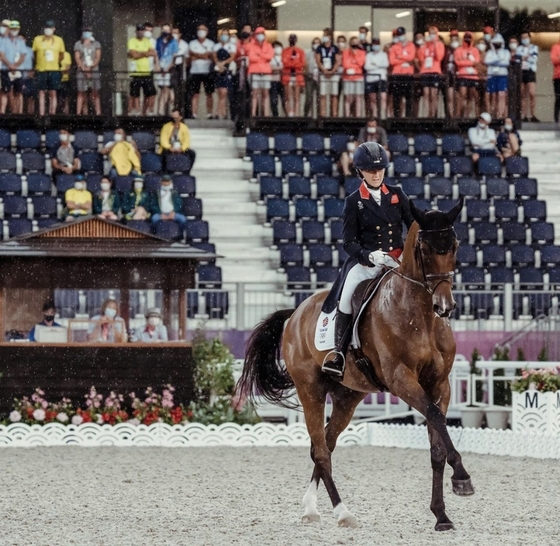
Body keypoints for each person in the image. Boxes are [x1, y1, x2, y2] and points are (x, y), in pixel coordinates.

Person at [321, 142, 413, 380]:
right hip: (367, 264)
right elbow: (348, 242)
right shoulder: (354, 201)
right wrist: (369, 255)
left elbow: (413, 225)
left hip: (396, 260)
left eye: (380, 169)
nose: (376, 174)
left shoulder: (397, 194)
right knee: (345, 297)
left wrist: (406, 253)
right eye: (371, 171)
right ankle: (338, 353)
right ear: (360, 172)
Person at [32, 20, 66, 116]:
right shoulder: (37, 39)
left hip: (54, 69)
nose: (48, 29)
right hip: (41, 69)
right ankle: (42, 113)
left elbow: (61, 55)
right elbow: (34, 53)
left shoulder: (59, 40)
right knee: (41, 92)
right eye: (47, 27)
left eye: (50, 28)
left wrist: (54, 62)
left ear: (54, 29)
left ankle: (52, 113)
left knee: (53, 92)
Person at [127, 23, 157, 116]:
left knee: (149, 93)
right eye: (139, 30)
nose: (140, 32)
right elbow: (133, 54)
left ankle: (145, 111)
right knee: (135, 94)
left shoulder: (147, 41)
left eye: (142, 30)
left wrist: (140, 53)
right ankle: (137, 111)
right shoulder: (132, 41)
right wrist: (145, 53)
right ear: (136, 31)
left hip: (147, 71)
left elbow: (153, 52)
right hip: (136, 72)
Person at [416, 26, 444, 118]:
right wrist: (423, 45)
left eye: (433, 33)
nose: (431, 35)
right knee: (426, 94)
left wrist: (435, 43)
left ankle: (433, 114)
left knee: (433, 94)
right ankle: (427, 114)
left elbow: (439, 57)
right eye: (430, 33)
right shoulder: (425, 45)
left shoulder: (440, 44)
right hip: (425, 71)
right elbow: (420, 58)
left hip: (435, 71)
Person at [188, 23, 215, 119]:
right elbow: (190, 55)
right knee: (195, 94)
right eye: (199, 29)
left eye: (203, 29)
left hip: (207, 71)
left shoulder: (211, 43)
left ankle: (209, 114)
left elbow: (211, 56)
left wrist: (197, 55)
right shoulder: (192, 43)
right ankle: (194, 114)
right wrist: (204, 55)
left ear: (207, 32)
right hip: (195, 71)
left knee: (209, 93)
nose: (201, 31)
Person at [0, 20, 27, 114]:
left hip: (18, 69)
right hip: (5, 68)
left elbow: (23, 56)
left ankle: (18, 113)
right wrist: (9, 65)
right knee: (5, 91)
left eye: (15, 29)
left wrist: (15, 65)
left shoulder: (20, 41)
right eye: (12, 29)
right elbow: (2, 55)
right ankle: (3, 112)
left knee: (18, 91)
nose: (13, 30)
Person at [246, 26, 274, 117]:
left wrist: (259, 55)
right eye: (258, 34)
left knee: (265, 94)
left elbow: (270, 56)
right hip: (254, 72)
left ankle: (265, 114)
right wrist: (263, 57)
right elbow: (251, 57)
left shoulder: (268, 45)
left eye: (262, 34)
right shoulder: (251, 45)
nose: (260, 35)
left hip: (266, 72)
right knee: (255, 94)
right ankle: (253, 114)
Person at [389, 26, 415, 118]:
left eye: (401, 34)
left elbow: (411, 57)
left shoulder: (411, 45)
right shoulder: (394, 47)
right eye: (398, 35)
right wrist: (405, 60)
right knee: (396, 97)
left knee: (408, 97)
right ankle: (397, 116)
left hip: (408, 74)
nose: (400, 36)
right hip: (397, 73)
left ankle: (408, 116)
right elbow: (392, 61)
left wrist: (399, 57)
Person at [74, 27, 102, 115]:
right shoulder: (78, 44)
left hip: (94, 70)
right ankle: (79, 113)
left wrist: (91, 68)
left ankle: (98, 112)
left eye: (88, 32)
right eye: (85, 31)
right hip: (82, 70)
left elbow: (97, 57)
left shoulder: (96, 44)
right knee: (81, 92)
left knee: (95, 92)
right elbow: (77, 58)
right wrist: (84, 69)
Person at [316, 28, 341, 117]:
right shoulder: (320, 47)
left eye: (326, 35)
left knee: (334, 94)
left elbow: (338, 61)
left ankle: (334, 115)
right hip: (323, 73)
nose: (324, 37)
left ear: (330, 37)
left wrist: (333, 71)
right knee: (322, 94)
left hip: (333, 73)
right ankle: (322, 114)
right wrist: (324, 70)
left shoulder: (335, 48)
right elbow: (318, 61)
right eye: (324, 35)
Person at [454, 31, 480, 118]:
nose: (467, 39)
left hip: (473, 76)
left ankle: (466, 115)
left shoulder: (475, 50)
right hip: (462, 75)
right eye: (466, 37)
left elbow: (477, 62)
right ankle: (459, 115)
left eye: (469, 37)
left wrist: (464, 62)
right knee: (462, 96)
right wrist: (469, 62)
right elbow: (457, 62)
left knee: (470, 97)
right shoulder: (459, 50)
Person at [154, 23, 178, 116]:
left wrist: (168, 68)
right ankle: (168, 107)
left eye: (167, 30)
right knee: (163, 89)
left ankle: (161, 109)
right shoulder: (159, 40)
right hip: (161, 67)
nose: (165, 31)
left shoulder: (173, 41)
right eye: (164, 29)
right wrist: (157, 65)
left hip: (169, 67)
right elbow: (156, 54)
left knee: (166, 88)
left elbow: (174, 56)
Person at [484, 34, 510, 119]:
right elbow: (487, 61)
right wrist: (499, 59)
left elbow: (506, 63)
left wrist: (494, 61)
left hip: (502, 76)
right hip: (492, 75)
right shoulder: (490, 52)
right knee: (493, 96)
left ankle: (500, 115)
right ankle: (493, 114)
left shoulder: (506, 52)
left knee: (501, 95)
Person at [213, 28, 236, 119]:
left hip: (227, 69)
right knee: (220, 92)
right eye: (223, 34)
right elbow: (214, 56)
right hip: (218, 69)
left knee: (224, 92)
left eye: (226, 34)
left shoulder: (232, 46)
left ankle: (220, 112)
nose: (224, 36)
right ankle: (221, 112)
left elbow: (232, 57)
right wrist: (218, 64)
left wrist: (224, 63)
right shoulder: (216, 46)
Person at [364, 37, 389, 119]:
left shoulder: (384, 54)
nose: (376, 45)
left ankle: (383, 115)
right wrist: (379, 65)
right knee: (372, 98)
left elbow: (386, 64)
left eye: (377, 44)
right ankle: (374, 115)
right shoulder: (368, 55)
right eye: (374, 44)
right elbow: (367, 66)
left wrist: (374, 64)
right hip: (371, 79)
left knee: (383, 97)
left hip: (381, 78)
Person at [341, 35, 366, 117]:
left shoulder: (362, 52)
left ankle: (358, 116)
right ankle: (347, 116)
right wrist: (354, 63)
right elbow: (345, 64)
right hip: (347, 77)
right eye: (353, 43)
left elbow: (361, 63)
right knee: (348, 97)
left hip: (358, 77)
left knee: (358, 97)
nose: (354, 44)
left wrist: (354, 56)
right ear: (350, 43)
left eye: (356, 43)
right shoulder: (345, 52)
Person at [517, 31, 539, 122]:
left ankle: (532, 115)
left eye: (526, 37)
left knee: (532, 93)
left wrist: (524, 58)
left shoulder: (534, 47)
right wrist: (525, 57)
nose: (524, 39)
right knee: (523, 94)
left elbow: (534, 58)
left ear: (529, 38)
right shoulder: (519, 48)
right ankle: (524, 115)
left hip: (530, 71)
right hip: (522, 71)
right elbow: (518, 59)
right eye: (523, 38)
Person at [282, 34, 305, 117]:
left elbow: (302, 64)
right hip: (287, 75)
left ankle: (296, 114)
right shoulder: (285, 51)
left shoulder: (300, 51)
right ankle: (289, 113)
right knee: (287, 96)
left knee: (296, 97)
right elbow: (284, 62)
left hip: (297, 76)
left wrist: (292, 63)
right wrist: (294, 63)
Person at [443, 29, 460, 118]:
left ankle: (457, 114)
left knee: (457, 96)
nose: (454, 39)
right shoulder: (447, 49)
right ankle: (451, 114)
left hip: (458, 73)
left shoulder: (461, 48)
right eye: (452, 37)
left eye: (455, 37)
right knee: (450, 95)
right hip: (448, 73)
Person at [304, 37, 321, 117]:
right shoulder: (308, 52)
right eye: (314, 43)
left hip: (319, 76)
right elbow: (305, 64)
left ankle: (319, 116)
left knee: (319, 98)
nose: (316, 45)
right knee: (308, 98)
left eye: (318, 43)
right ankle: (306, 115)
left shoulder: (322, 53)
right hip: (310, 76)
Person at [269, 40, 284, 117]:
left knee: (284, 99)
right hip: (273, 80)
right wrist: (279, 68)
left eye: (278, 47)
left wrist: (277, 68)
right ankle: (275, 115)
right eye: (275, 47)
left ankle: (286, 115)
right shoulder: (270, 57)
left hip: (282, 81)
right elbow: (268, 67)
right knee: (273, 100)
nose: (277, 49)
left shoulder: (284, 57)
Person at [58, 47, 71, 114]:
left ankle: (66, 112)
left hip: (65, 79)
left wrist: (60, 72)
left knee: (66, 96)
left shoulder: (67, 54)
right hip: (56, 80)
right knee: (56, 97)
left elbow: (68, 68)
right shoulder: (54, 54)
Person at [551, 36, 560, 123]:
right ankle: (556, 118)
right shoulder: (555, 47)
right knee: (558, 97)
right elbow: (554, 60)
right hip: (558, 76)